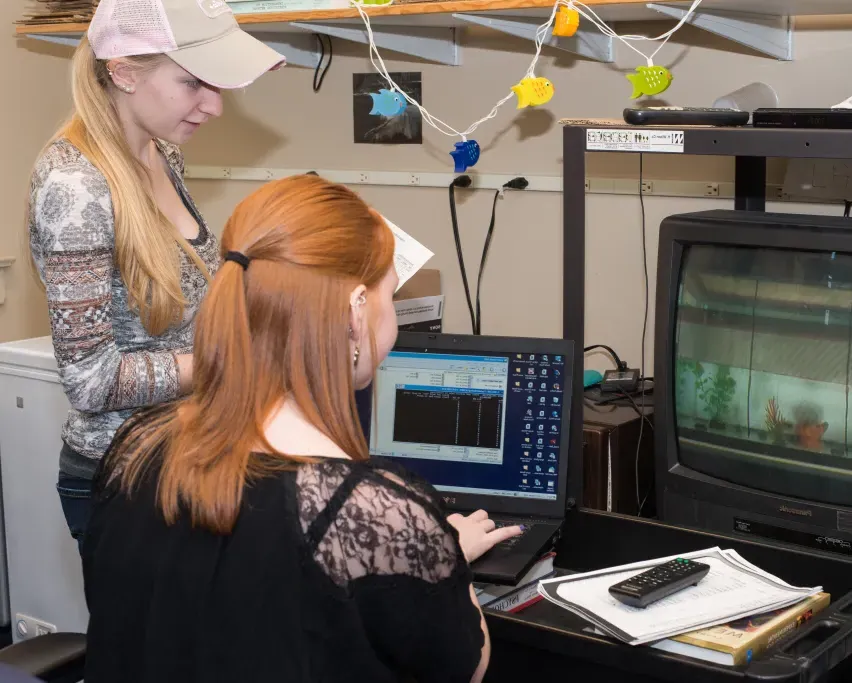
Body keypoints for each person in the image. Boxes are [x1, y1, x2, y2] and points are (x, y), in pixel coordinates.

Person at [82, 174, 523, 682]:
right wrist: (442, 562)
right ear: (356, 310)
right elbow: (466, 667)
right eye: (391, 296)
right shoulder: (381, 513)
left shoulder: (137, 448)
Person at [26, 0, 286, 549]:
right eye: (193, 83)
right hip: (126, 475)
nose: (214, 106)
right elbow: (91, 380)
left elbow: (178, 299)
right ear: (122, 72)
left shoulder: (161, 153)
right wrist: (232, 359)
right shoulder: (75, 187)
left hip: (189, 454)